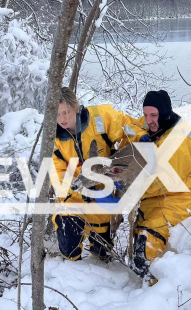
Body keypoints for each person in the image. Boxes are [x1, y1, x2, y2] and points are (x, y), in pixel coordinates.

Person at [52, 87, 144, 262]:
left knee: (102, 255)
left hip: (104, 197)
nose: (62, 119)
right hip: (74, 199)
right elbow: (58, 176)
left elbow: (129, 129)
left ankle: (101, 247)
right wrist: (83, 192)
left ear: (76, 107)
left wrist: (141, 141)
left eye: (66, 112)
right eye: (57, 114)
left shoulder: (101, 117)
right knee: (69, 250)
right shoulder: (53, 138)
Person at [130, 90, 191, 280]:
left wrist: (121, 187)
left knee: (146, 248)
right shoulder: (154, 124)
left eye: (153, 115)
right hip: (153, 199)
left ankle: (159, 293)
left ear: (164, 113)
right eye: (145, 114)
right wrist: (139, 136)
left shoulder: (181, 143)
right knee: (139, 249)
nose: (148, 120)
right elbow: (128, 125)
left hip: (175, 200)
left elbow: (157, 181)